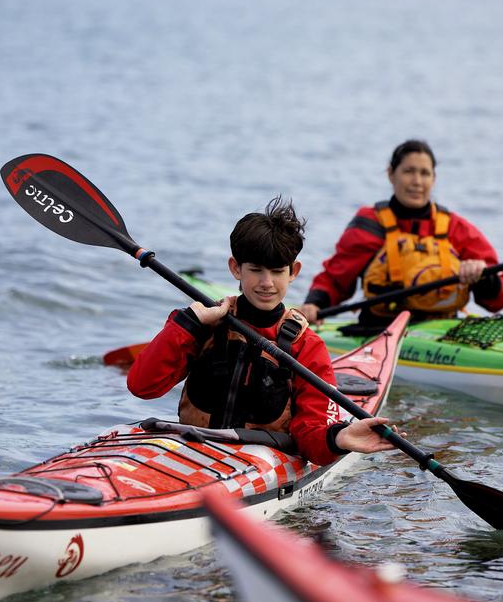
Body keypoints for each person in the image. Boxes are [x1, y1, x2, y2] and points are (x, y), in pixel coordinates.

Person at [127, 197, 397, 466]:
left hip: (259, 461)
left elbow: (310, 436)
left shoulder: (306, 345)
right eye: (255, 270)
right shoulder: (202, 325)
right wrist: (188, 322)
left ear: (294, 272)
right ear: (236, 268)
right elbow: (142, 386)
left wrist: (338, 438)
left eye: (277, 271)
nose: (266, 283)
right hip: (193, 450)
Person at [301, 139, 503, 328]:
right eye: (409, 171)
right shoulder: (371, 224)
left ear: (433, 178)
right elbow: (336, 279)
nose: (417, 181)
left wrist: (484, 277)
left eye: (424, 173)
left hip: (444, 332)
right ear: (391, 174)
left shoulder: (455, 228)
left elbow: (499, 300)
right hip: (379, 329)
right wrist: (314, 304)